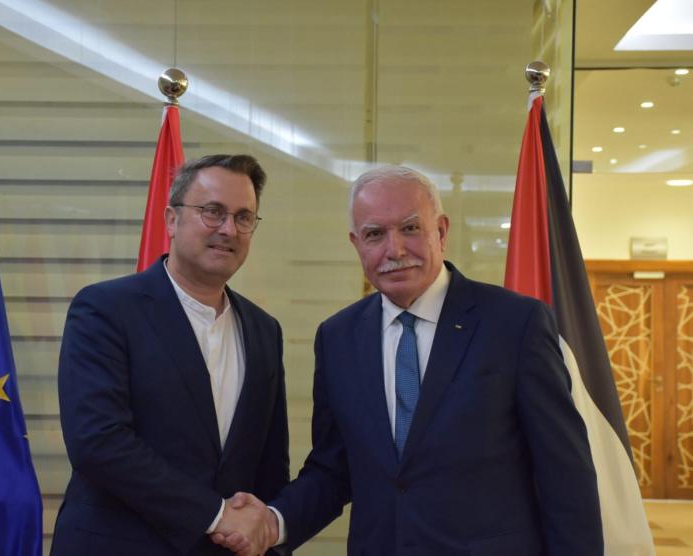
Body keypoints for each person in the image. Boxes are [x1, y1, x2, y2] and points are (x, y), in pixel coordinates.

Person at [215, 165, 603, 555]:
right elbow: (333, 469)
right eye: (375, 234)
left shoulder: (515, 324)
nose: (395, 250)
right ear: (356, 243)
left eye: (411, 228)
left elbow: (565, 476)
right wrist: (273, 522)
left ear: (442, 232)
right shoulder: (337, 338)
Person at [51, 154, 289, 555]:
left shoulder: (264, 331)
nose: (228, 229)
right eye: (212, 212)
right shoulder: (105, 309)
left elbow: (269, 465)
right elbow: (98, 441)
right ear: (172, 220)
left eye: (243, 217)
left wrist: (265, 535)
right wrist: (216, 515)